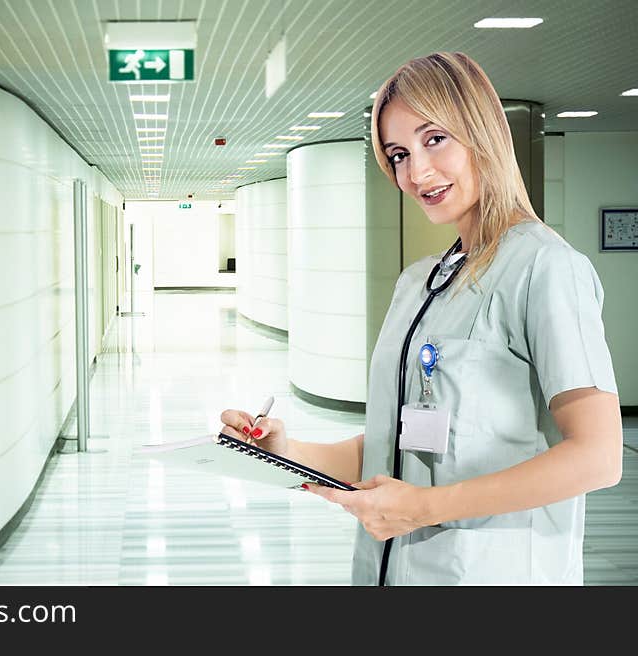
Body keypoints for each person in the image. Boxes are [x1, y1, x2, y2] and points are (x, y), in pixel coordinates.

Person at [220, 52, 622, 585]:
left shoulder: (546, 269)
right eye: (398, 154)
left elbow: (598, 456)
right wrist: (288, 452)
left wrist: (427, 506)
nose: (417, 172)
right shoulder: (419, 284)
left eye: (435, 139)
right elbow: (396, 444)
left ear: (481, 131)